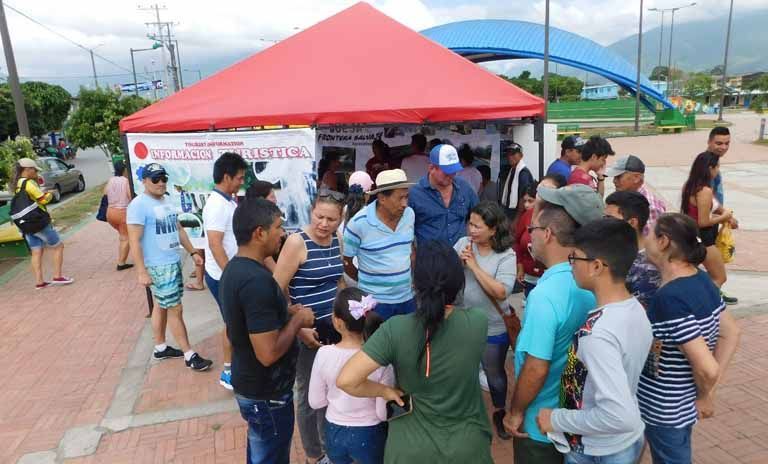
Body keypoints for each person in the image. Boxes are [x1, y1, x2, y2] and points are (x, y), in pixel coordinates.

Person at [337, 241, 494, 464]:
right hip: (467, 446)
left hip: (408, 450)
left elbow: (347, 380)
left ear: (414, 282)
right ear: (459, 282)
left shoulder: (395, 329)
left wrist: (385, 391)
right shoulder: (478, 322)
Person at [536, 218, 652, 464]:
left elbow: (618, 415)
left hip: (598, 449)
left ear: (597, 266)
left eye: (574, 258)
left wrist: (555, 419)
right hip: (624, 442)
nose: (571, 266)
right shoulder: (635, 309)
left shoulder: (597, 334)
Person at [504, 184, 603, 464]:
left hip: (541, 428)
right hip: (578, 418)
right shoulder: (595, 279)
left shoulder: (545, 296)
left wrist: (516, 412)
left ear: (547, 235)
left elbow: (536, 368)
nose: (527, 237)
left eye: (532, 229)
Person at [638, 213, 741, 464]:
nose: (645, 239)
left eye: (650, 233)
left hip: (665, 409)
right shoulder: (701, 278)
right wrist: (708, 392)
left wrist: (707, 394)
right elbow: (731, 332)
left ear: (663, 242)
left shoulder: (670, 298)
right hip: (680, 404)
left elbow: (706, 367)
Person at [219, 198, 316, 464]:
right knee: (270, 456)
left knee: (262, 451)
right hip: (267, 396)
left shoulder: (236, 269)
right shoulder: (256, 281)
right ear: (259, 233)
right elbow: (267, 353)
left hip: (255, 388)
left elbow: (248, 321)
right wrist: (298, 322)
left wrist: (286, 313)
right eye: (278, 227)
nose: (283, 234)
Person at [273, 190, 346, 464]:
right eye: (319, 216)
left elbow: (337, 282)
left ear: (340, 219)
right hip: (308, 332)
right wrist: (299, 328)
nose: (324, 224)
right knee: (307, 393)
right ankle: (313, 455)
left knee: (331, 388)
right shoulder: (296, 242)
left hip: (334, 329)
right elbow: (277, 290)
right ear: (311, 212)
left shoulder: (337, 239)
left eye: (331, 219)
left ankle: (330, 444)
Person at [127, 163, 213, 371]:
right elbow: (134, 240)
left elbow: (178, 228)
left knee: (161, 304)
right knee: (176, 309)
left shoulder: (166, 200)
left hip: (172, 261)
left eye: (163, 178)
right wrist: (141, 271)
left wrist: (193, 252)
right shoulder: (138, 205)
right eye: (155, 179)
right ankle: (189, 354)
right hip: (158, 266)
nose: (161, 183)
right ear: (144, 181)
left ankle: (160, 347)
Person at [454, 201, 517, 440]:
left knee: (495, 375)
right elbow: (448, 272)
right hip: (463, 321)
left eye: (477, 226)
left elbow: (501, 292)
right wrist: (457, 264)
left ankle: (499, 412)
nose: (471, 230)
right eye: (470, 224)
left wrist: (473, 265)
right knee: (464, 369)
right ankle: (467, 412)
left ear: (493, 229)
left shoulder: (506, 255)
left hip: (493, 325)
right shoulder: (463, 244)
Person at [308, 288, 392, 464]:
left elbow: (315, 402)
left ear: (337, 322)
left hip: (334, 431)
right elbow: (382, 413)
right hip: (370, 434)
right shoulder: (380, 358)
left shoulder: (323, 354)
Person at [343, 169, 416, 320]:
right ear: (382, 198)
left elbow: (409, 249)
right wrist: (367, 282)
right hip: (375, 304)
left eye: (407, 197)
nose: (405, 204)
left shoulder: (409, 215)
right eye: (400, 198)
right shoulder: (358, 224)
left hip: (407, 300)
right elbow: (347, 262)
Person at [203, 152, 247, 391]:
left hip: (229, 273)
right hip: (222, 276)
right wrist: (231, 275)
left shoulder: (228, 200)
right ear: (227, 177)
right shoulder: (216, 205)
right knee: (232, 323)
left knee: (235, 322)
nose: (242, 182)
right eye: (239, 178)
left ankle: (235, 365)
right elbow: (214, 243)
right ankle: (228, 371)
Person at [10, 158, 74, 289]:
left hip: (26, 225)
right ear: (27, 170)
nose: (36, 173)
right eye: (34, 170)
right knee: (58, 246)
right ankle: (57, 276)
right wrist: (51, 194)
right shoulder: (28, 184)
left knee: (36, 251)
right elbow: (43, 200)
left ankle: (39, 282)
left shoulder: (17, 184)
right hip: (38, 223)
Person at [681, 152, 733, 293]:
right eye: (717, 167)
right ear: (710, 168)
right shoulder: (704, 190)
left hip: (691, 235)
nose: (718, 171)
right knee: (719, 277)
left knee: (691, 275)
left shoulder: (690, 185)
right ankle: (706, 303)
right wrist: (725, 217)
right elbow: (703, 222)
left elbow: (711, 208)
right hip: (704, 238)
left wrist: (727, 216)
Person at [409, 144, 478, 246]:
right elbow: (405, 229)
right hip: (430, 258)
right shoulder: (415, 194)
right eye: (447, 172)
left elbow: (479, 215)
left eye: (454, 171)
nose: (452, 175)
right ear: (432, 168)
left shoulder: (464, 187)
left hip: (460, 256)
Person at [605, 191, 661, 309]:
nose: (604, 222)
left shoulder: (648, 269)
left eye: (609, 218)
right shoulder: (614, 251)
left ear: (632, 223)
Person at [513, 175, 566, 299]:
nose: (542, 191)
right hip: (530, 278)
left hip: (555, 279)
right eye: (540, 187)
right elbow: (517, 241)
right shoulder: (528, 215)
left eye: (548, 188)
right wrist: (520, 266)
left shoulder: (564, 218)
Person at [705, 126, 739, 305]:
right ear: (709, 142)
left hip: (710, 221)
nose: (723, 147)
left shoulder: (712, 161)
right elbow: (707, 197)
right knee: (717, 272)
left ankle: (714, 293)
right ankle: (709, 301)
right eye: (718, 143)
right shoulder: (707, 165)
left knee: (712, 268)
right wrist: (727, 216)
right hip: (705, 224)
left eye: (727, 143)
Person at [607, 154, 667, 235]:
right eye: (614, 177)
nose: (614, 181)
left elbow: (649, 241)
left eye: (618, 177)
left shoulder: (650, 207)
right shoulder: (623, 197)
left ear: (636, 178)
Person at [339, 171, 374, 287]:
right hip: (364, 274)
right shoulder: (371, 214)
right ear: (368, 193)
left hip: (344, 273)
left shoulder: (341, 211)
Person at [104, 161, 134, 271]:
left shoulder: (111, 180)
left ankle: (124, 258)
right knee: (125, 238)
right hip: (122, 213)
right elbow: (130, 196)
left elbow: (105, 193)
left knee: (123, 236)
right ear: (124, 170)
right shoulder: (125, 181)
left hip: (110, 213)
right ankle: (121, 263)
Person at [499, 142, 536, 226]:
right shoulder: (513, 170)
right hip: (509, 212)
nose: (510, 157)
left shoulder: (523, 173)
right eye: (508, 154)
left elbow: (523, 197)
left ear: (521, 155)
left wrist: (517, 219)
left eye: (513, 154)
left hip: (516, 215)